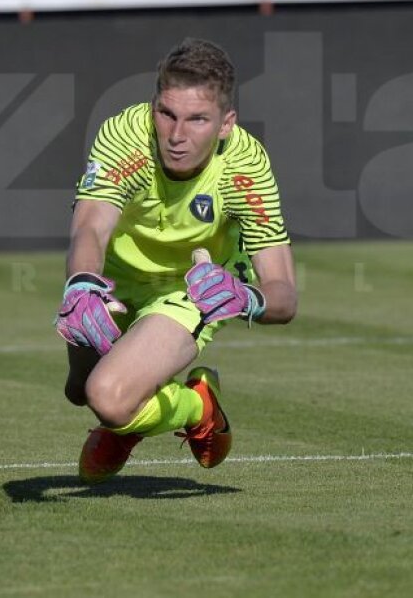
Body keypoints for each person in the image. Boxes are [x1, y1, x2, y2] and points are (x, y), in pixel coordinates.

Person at [56, 37, 297, 484]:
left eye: (197, 119)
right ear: (153, 108)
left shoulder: (246, 165)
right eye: (166, 114)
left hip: (191, 292)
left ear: (226, 124)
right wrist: (83, 283)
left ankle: (197, 409)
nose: (177, 135)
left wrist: (244, 297)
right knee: (78, 391)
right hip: (114, 287)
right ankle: (139, 411)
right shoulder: (125, 134)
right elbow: (90, 227)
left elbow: (283, 295)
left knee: (108, 397)